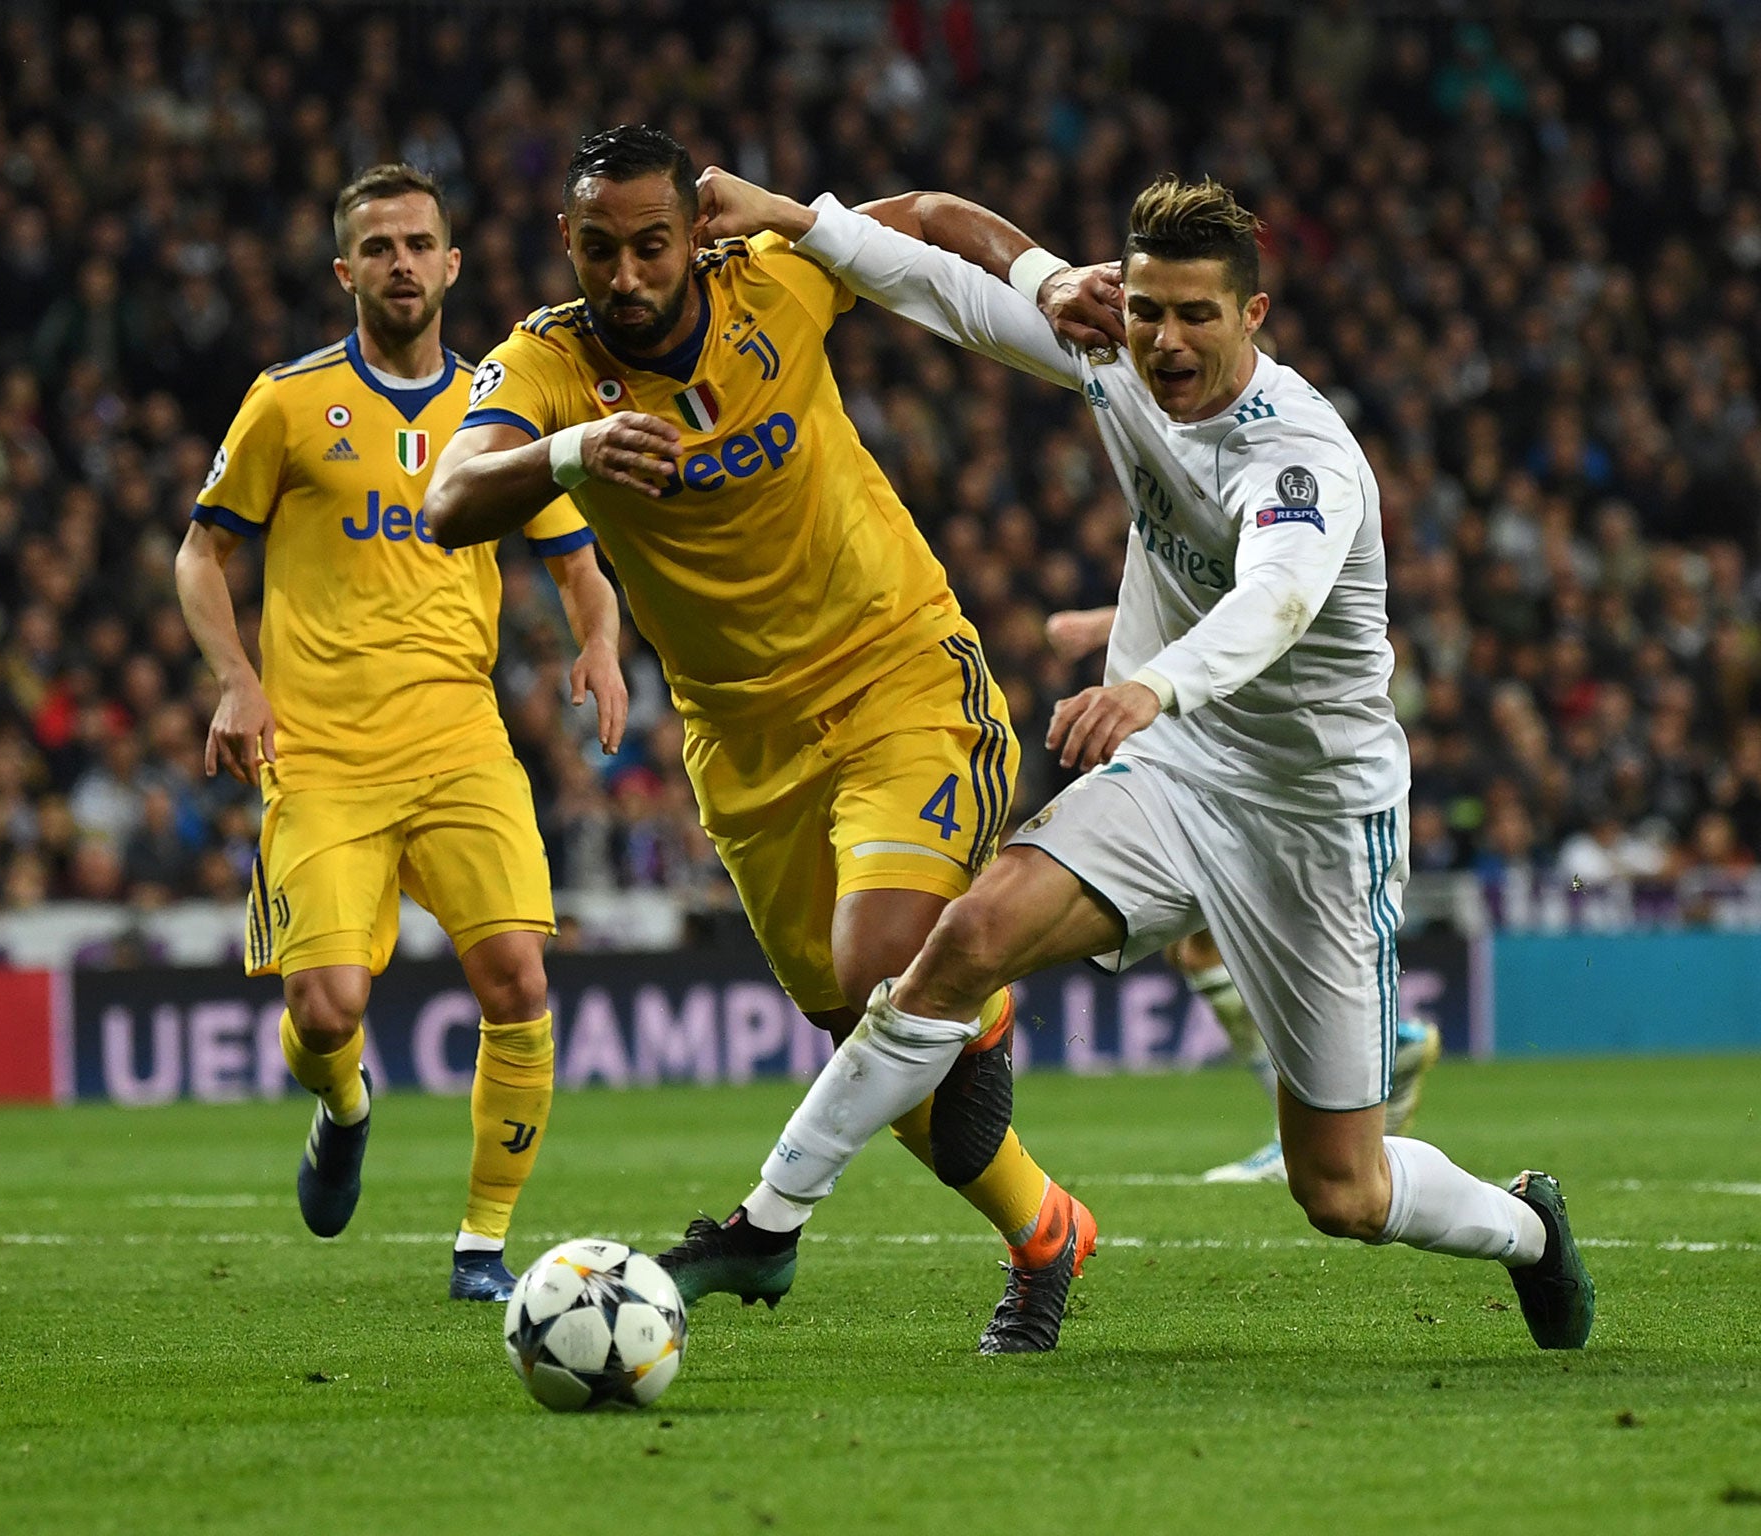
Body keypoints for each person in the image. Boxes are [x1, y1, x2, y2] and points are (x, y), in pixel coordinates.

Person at [683, 166, 1595, 1352]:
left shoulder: (1299, 454)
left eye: (1195, 315)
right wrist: (802, 223)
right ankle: (767, 1224)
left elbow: (1272, 601)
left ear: (1252, 317)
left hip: (1313, 821)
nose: (1161, 340)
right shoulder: (1111, 352)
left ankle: (1526, 1225)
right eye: (1148, 308)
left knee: (1341, 1192)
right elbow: (938, 286)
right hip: (1175, 772)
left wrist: (1145, 682)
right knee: (962, 942)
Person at [425, 125, 1094, 1353]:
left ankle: (969, 1003)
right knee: (874, 1044)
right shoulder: (546, 362)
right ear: (564, 245)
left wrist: (1047, 277)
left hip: (899, 674)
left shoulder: (772, 273)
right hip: (741, 746)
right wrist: (569, 451)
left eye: (648, 245)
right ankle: (1045, 1231)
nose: (623, 275)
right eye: (596, 249)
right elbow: (448, 499)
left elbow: (936, 214)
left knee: (886, 966)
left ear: (693, 233)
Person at [174, 163, 627, 1303]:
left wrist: (600, 647)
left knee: (517, 979)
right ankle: (344, 1105)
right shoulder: (286, 401)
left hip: (460, 745)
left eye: (419, 244)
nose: (401, 264)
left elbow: (579, 564)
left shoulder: (499, 409)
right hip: (319, 755)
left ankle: (483, 1242)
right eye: (378, 248)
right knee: (324, 1008)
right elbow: (201, 554)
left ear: (452, 263)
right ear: (346, 271)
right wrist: (235, 677)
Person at [1045, 605, 1443, 1183]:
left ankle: (1333, 1107)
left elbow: (1253, 600)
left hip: (1265, 761)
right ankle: (1350, 1086)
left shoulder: (1287, 526)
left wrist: (1104, 625)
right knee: (1205, 949)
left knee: (1244, 952)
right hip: (1248, 753)